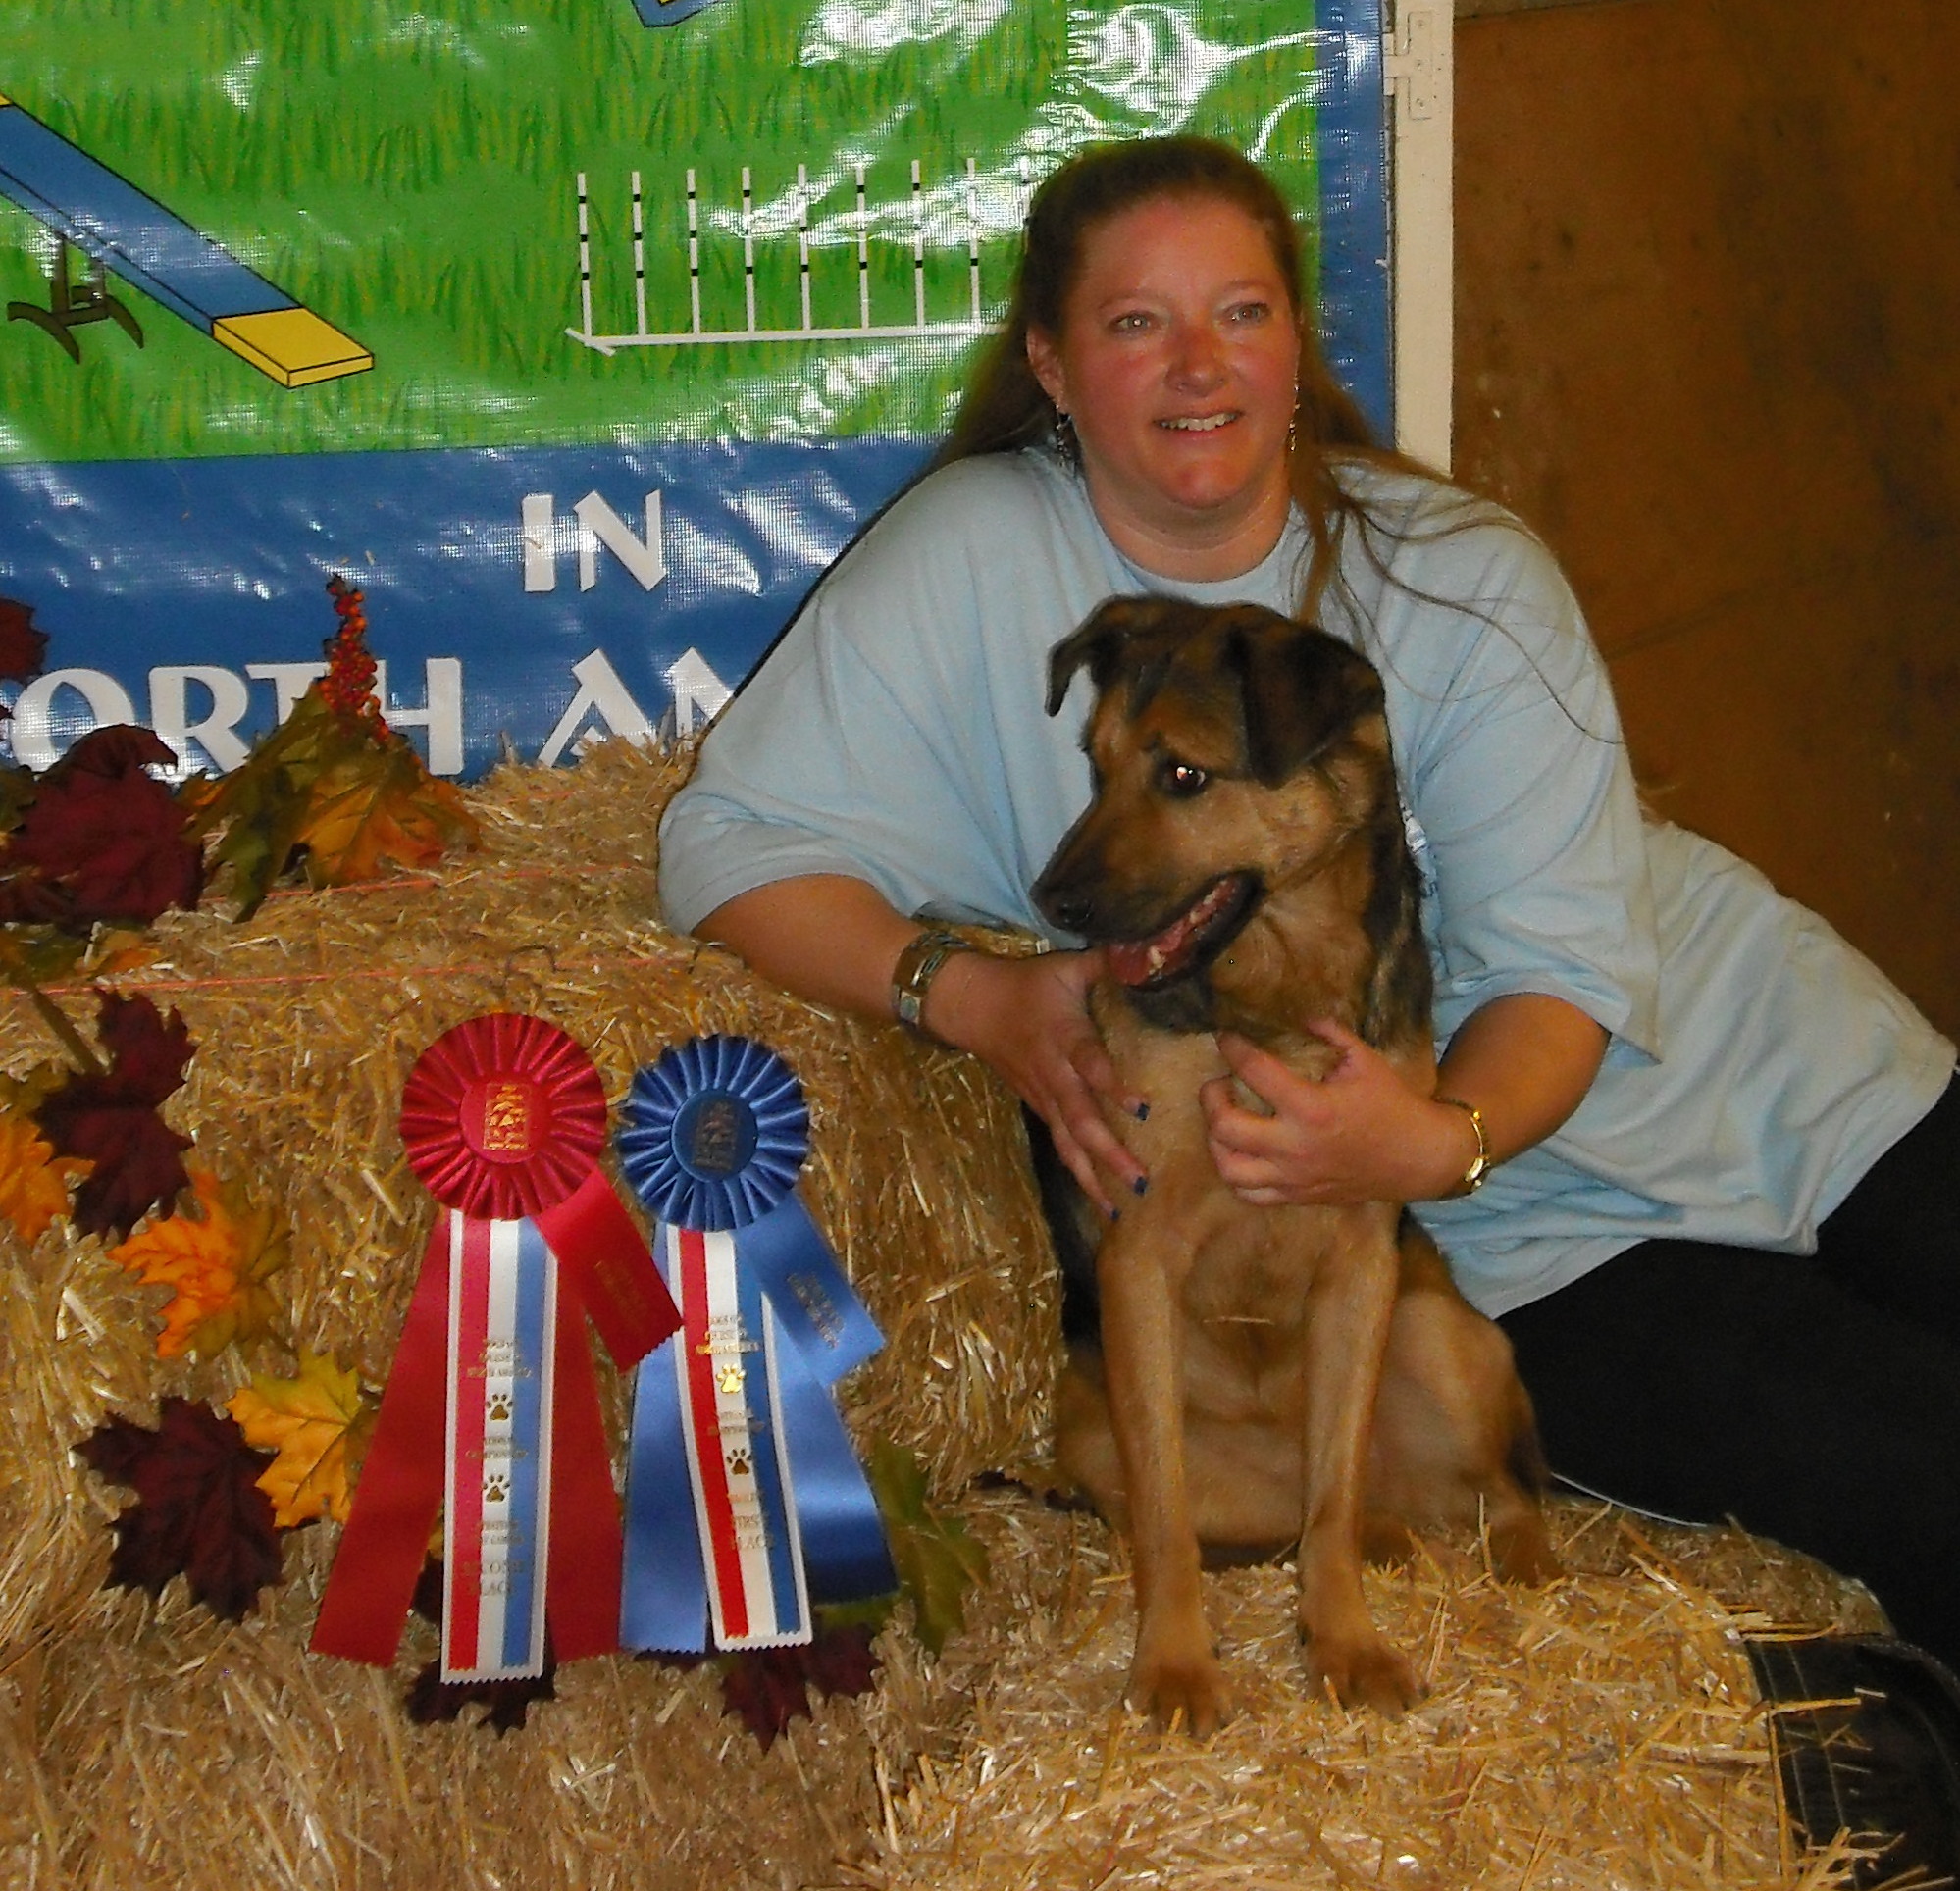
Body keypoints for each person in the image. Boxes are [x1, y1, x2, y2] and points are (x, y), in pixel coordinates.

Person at [658, 136, 1960, 1668]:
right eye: (1136, 322)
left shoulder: (1454, 572)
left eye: (1242, 313)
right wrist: (973, 993)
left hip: (1774, 1078)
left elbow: (1558, 971)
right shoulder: (971, 560)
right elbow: (725, 841)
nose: (1197, 364)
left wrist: (1434, 1133)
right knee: (1921, 1484)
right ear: (1052, 365)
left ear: (1294, 349)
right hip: (1539, 1241)